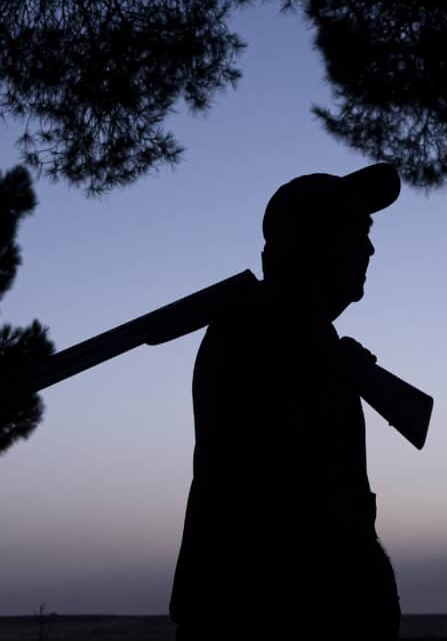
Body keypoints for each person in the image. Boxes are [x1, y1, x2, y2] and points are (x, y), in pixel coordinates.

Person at [170, 163, 403, 639]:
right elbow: (301, 501)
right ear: (314, 243)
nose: (369, 247)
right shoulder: (267, 330)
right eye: (356, 231)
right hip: (275, 618)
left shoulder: (301, 333)